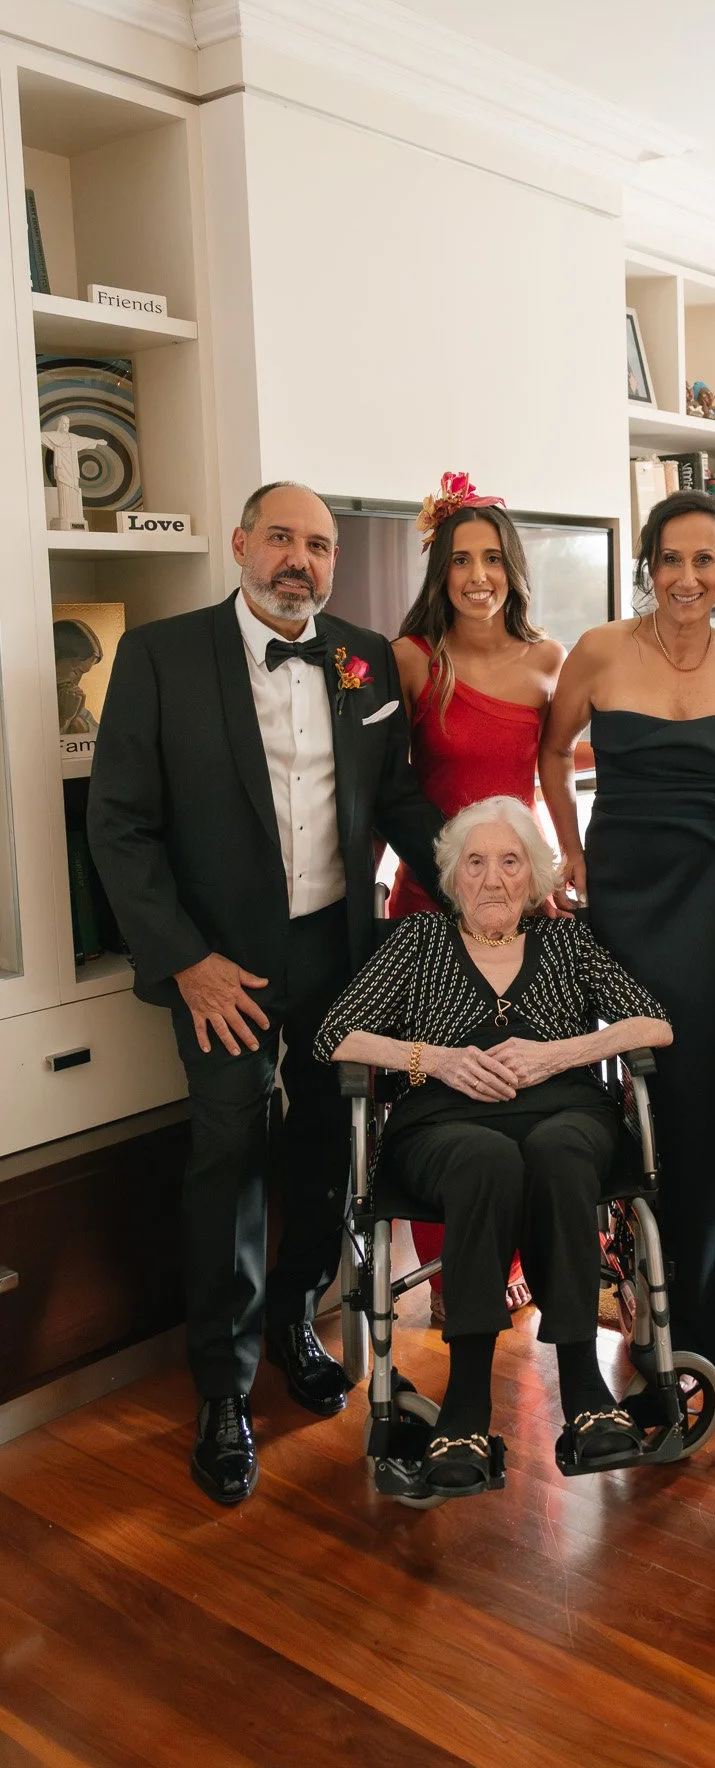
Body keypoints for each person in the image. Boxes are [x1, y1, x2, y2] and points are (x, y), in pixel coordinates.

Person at [87, 481, 446, 1506]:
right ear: (241, 543)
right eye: (281, 537)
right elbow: (118, 825)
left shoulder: (367, 655)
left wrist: (474, 871)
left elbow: (395, 796)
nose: (300, 558)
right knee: (230, 1150)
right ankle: (222, 1385)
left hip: (339, 946)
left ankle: (297, 1316)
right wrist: (184, 957)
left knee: (330, 1143)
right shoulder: (159, 656)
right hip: (222, 963)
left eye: (319, 544)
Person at [315, 796, 672, 1496]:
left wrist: (559, 1052)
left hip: (564, 1109)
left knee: (561, 1150)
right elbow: (335, 1035)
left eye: (510, 861)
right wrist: (434, 1060)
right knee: (487, 1158)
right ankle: (466, 1406)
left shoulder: (566, 943)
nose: (492, 878)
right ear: (453, 875)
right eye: (474, 862)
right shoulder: (418, 941)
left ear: (533, 874)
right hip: (444, 1124)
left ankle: (584, 1390)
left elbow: (653, 1024)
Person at [539, 490, 715, 1375]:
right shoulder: (597, 652)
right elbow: (551, 752)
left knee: (705, 1090)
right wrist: (569, 850)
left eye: (705, 561)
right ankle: (636, 1282)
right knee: (640, 1082)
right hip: (626, 888)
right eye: (671, 559)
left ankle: (699, 1308)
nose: (686, 577)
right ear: (647, 565)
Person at [389, 471, 564, 1324]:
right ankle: (459, 1269)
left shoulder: (547, 661)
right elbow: (388, 789)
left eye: (491, 557)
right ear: (440, 570)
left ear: (512, 567)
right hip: (430, 897)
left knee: (520, 1083)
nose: (477, 576)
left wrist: (560, 868)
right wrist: (444, 878)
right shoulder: (414, 658)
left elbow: (556, 774)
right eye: (460, 559)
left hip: (517, 903)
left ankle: (520, 1253)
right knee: (443, 1088)